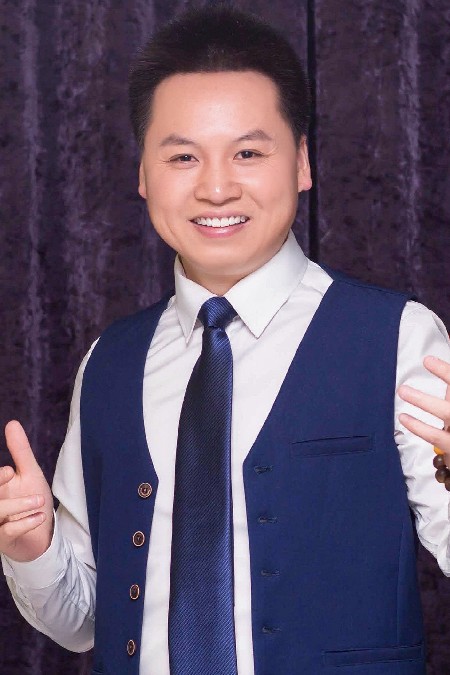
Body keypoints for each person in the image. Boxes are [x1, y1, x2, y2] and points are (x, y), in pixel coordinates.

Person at [1, 5, 450, 674]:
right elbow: (84, 622)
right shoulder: (110, 362)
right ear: (144, 174)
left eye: (248, 153)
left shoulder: (400, 338)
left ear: (301, 162)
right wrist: (33, 549)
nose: (216, 187)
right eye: (183, 156)